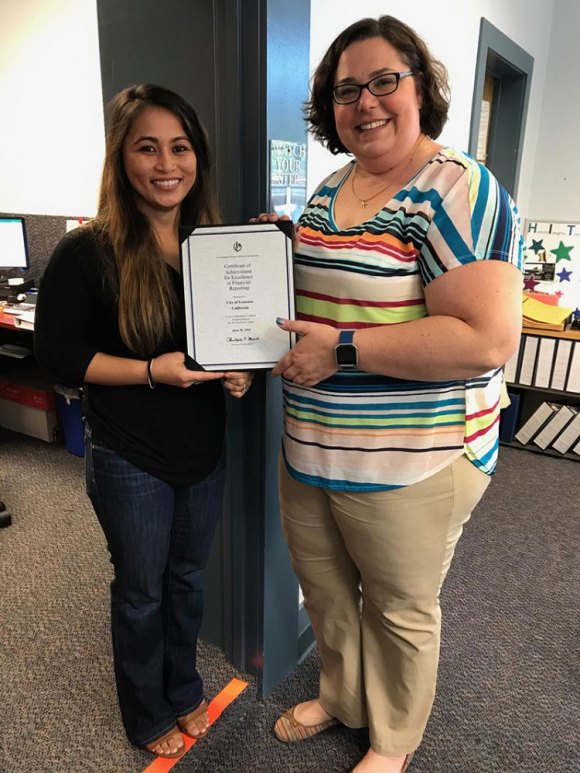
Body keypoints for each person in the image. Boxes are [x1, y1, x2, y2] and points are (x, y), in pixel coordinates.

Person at [263, 16, 523, 773]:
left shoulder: (458, 188)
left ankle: (393, 740)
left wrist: (343, 348)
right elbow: (326, 290)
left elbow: (483, 337)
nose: (366, 102)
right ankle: (343, 698)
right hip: (311, 445)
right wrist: (269, 251)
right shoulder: (330, 188)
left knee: (401, 610)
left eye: (384, 81)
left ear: (420, 88)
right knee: (327, 595)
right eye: (347, 90)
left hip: (412, 456)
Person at [34, 84, 252, 759]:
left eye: (180, 147)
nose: (166, 164)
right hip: (129, 453)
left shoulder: (214, 247)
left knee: (186, 578)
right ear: (122, 158)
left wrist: (241, 366)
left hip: (202, 444)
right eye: (147, 147)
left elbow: (225, 340)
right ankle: (144, 708)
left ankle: (183, 686)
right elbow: (58, 356)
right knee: (139, 591)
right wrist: (153, 370)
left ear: (198, 158)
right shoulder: (89, 251)